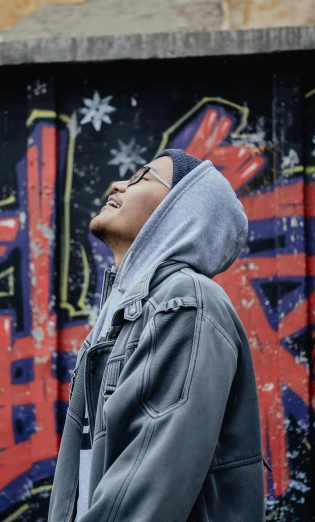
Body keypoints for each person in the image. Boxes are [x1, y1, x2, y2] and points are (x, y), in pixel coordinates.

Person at [48, 149, 265, 522]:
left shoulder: (186, 304)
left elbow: (148, 492)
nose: (118, 185)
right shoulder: (121, 320)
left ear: (179, 212)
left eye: (141, 178)